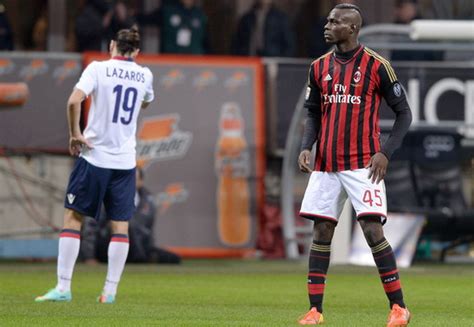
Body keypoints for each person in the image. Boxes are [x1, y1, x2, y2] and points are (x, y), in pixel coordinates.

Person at [297, 3, 412, 326]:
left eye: (335, 22)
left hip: (364, 164)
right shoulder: (318, 67)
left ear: (352, 29)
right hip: (326, 164)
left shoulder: (378, 66)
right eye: (328, 20)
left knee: (373, 231)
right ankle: (315, 310)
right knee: (321, 230)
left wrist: (385, 152)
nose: (328, 25)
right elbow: (313, 112)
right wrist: (307, 146)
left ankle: (399, 307)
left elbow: (404, 113)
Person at [35, 26, 154, 304]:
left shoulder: (97, 69)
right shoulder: (145, 75)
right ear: (136, 51)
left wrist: (75, 134)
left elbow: (74, 100)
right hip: (125, 162)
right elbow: (145, 103)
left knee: (73, 218)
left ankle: (63, 287)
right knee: (120, 225)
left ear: (112, 45)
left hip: (95, 156)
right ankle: (109, 292)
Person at [80, 168, 181, 265]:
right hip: (108, 244)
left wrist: (149, 248)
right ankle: (140, 258)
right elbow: (91, 229)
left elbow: (149, 230)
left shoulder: (148, 201)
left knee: (172, 258)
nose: (129, 182)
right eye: (127, 178)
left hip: (138, 245)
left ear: (141, 181)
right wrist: (89, 257)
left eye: (133, 179)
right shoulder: (107, 196)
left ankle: (143, 256)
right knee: (127, 224)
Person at [136, 0, 209, 54]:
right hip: (170, 60)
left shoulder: (200, 15)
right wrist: (129, 15)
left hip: (195, 61)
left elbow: (206, 42)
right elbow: (145, 19)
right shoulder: (168, 10)